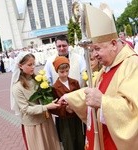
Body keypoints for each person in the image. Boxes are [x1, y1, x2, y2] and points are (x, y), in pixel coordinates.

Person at [59, 3, 138, 150]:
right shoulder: (108, 67)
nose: (94, 55)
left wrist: (103, 102)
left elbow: (134, 112)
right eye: (92, 49)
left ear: (114, 44)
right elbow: (94, 91)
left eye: (97, 49)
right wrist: (71, 99)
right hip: (104, 136)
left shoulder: (133, 65)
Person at [10, 51, 61, 150]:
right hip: (34, 125)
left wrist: (51, 101)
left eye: (34, 64)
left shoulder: (38, 80)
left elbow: (45, 97)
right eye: (29, 65)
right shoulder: (17, 87)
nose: (33, 67)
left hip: (46, 120)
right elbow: (25, 109)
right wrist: (46, 107)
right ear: (20, 66)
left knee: (52, 146)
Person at [51, 56, 85, 150]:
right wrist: (65, 109)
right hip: (65, 120)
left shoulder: (75, 83)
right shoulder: (54, 87)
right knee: (68, 143)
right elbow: (54, 107)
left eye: (67, 71)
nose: (65, 74)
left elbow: (80, 96)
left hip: (77, 116)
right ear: (57, 71)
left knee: (80, 140)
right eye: (62, 72)